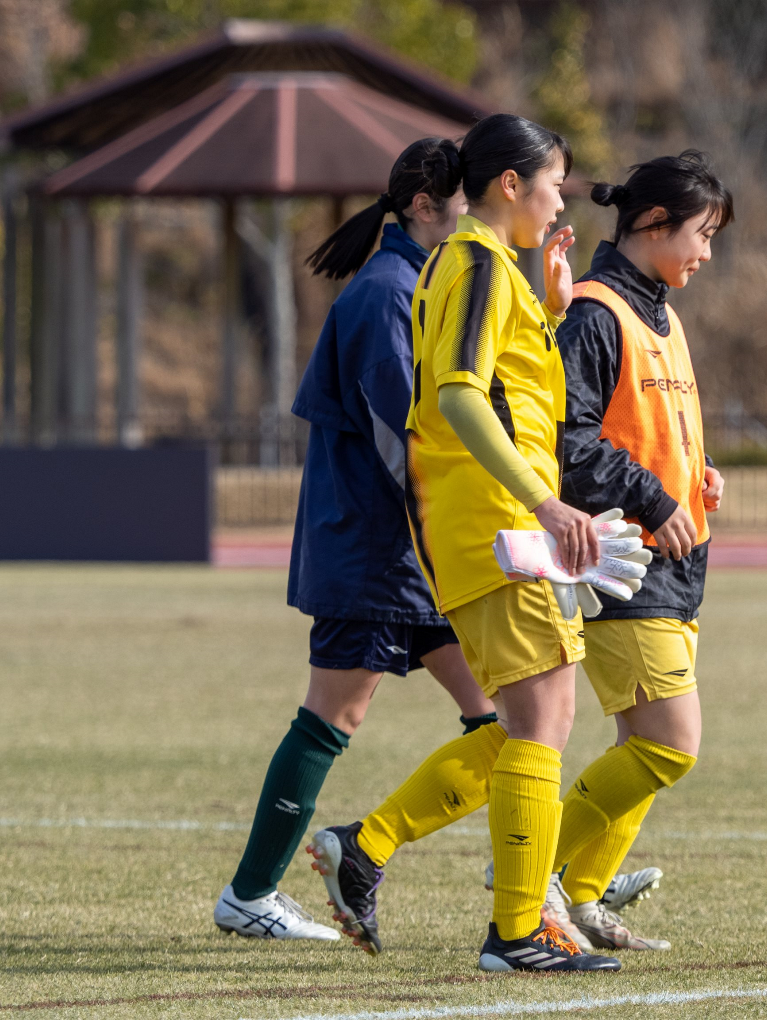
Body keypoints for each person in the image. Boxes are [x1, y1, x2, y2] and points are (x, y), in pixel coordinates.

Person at [316, 113, 621, 973]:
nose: (562, 196)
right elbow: (456, 397)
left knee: (532, 720)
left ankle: (368, 848)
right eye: (555, 180)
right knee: (541, 718)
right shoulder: (478, 263)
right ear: (512, 184)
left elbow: (506, 390)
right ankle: (518, 932)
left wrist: (554, 314)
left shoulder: (490, 271)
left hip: (488, 522)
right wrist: (543, 503)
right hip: (496, 521)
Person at [212, 139, 500, 942]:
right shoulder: (385, 292)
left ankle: (525, 876)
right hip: (380, 553)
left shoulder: (425, 283)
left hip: (421, 554)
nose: (475, 214)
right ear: (423, 206)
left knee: (512, 722)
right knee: (332, 718)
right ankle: (250, 897)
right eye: (465, 202)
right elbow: (401, 439)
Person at [544, 150, 733, 951]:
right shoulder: (594, 313)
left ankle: (580, 897)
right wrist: (656, 497)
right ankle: (534, 874)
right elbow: (569, 442)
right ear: (653, 225)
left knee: (640, 747)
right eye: (702, 233)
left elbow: (647, 431)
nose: (707, 252)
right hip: (627, 560)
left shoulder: (661, 310)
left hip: (681, 561)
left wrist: (696, 477)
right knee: (668, 745)